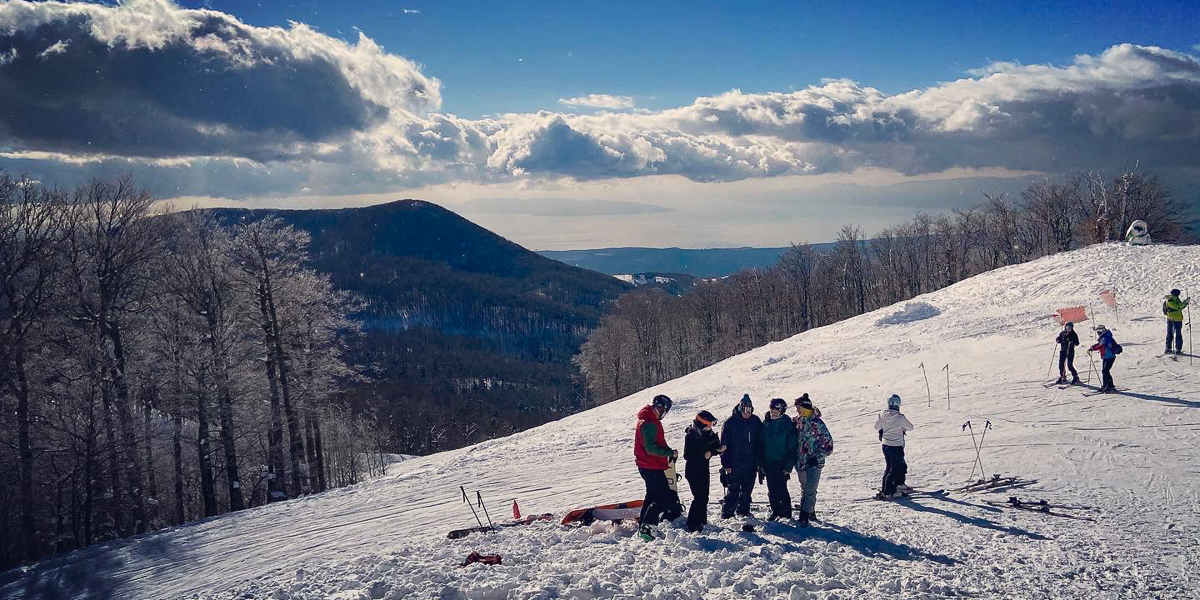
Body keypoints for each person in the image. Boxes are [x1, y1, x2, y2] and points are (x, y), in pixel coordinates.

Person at [634, 394, 677, 540]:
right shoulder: (650, 423)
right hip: (650, 466)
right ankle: (648, 527)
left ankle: (643, 527)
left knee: (651, 496)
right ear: (659, 407)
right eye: (665, 410)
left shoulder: (648, 419)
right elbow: (651, 448)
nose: (664, 414)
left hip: (649, 465)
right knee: (665, 498)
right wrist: (669, 452)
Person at [720, 394, 763, 520]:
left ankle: (743, 511)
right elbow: (724, 444)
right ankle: (727, 513)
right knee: (733, 489)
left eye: (749, 410)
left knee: (747, 488)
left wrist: (759, 461)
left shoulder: (755, 422)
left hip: (750, 462)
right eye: (745, 410)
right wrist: (725, 463)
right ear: (740, 408)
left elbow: (760, 442)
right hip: (735, 462)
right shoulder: (730, 423)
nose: (747, 413)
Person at [793, 394, 833, 526]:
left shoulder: (817, 424)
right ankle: (811, 510)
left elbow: (828, 445)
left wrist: (817, 457)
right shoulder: (798, 421)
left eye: (799, 407)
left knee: (810, 489)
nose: (797, 410)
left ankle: (804, 516)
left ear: (805, 407)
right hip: (801, 461)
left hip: (814, 463)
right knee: (805, 487)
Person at [682, 410, 724, 532]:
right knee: (699, 496)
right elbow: (687, 455)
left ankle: (702, 520)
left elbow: (712, 447)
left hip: (704, 469)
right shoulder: (691, 435)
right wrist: (703, 455)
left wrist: (718, 449)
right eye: (708, 424)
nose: (710, 427)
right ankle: (692, 523)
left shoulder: (708, 434)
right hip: (693, 470)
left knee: (704, 496)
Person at [760, 398, 798, 520]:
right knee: (771, 488)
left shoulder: (788, 425)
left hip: (782, 462)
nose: (773, 413)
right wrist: (759, 463)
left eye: (776, 411)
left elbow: (792, 447)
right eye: (772, 410)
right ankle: (775, 511)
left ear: (782, 411)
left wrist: (789, 465)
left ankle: (786, 512)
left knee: (781, 488)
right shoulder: (765, 424)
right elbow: (759, 444)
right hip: (768, 462)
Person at [874, 394, 913, 499]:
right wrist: (901, 428)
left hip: (886, 445)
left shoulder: (882, 414)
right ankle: (888, 491)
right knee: (894, 469)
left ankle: (897, 485)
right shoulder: (900, 417)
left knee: (892, 466)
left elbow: (876, 426)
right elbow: (910, 427)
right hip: (896, 446)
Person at [1088, 325, 1122, 393]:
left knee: (1105, 371)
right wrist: (1093, 346)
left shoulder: (1106, 337)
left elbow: (1102, 345)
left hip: (1110, 357)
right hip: (1106, 356)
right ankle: (1106, 385)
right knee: (1104, 371)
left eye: (1098, 332)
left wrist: (1093, 348)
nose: (1097, 333)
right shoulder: (1104, 337)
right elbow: (1100, 344)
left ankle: (1109, 386)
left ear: (1102, 331)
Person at [1164, 289, 1190, 355]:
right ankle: (1175, 348)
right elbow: (1178, 307)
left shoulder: (1175, 299)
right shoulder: (1170, 300)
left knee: (1171, 333)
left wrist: (1185, 303)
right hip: (1175, 319)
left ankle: (1169, 348)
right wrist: (1185, 302)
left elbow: (1179, 306)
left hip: (1172, 319)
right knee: (1177, 334)